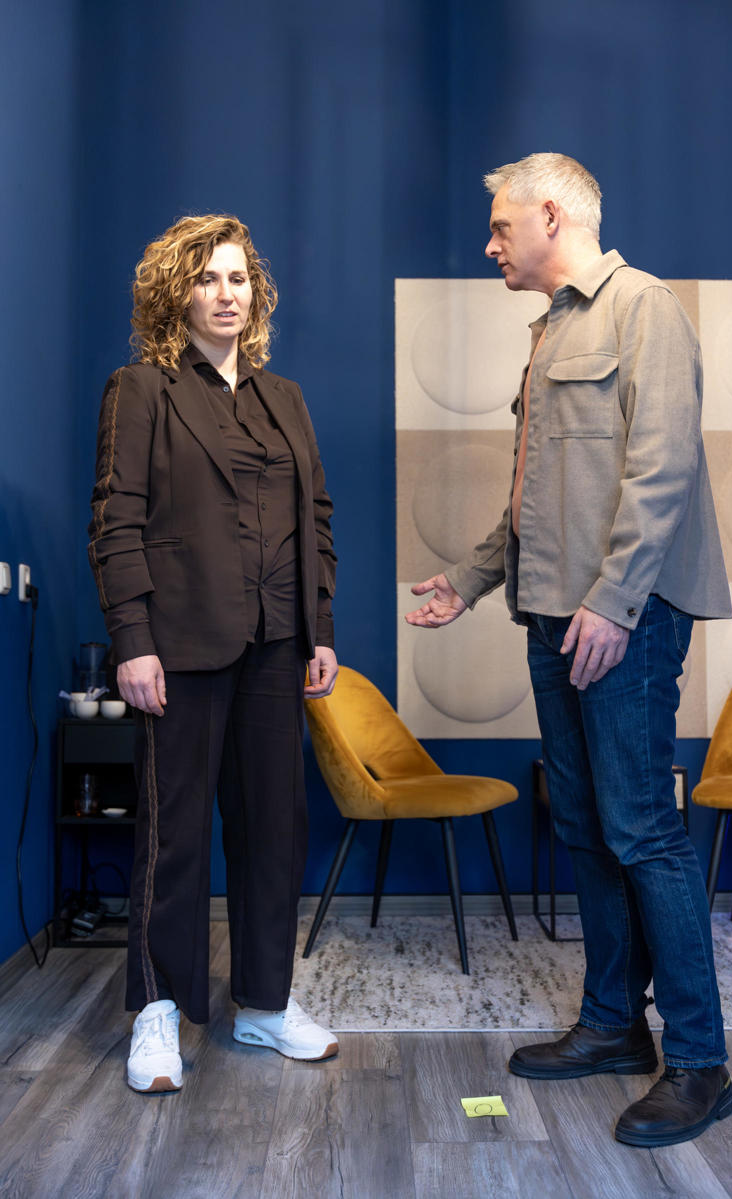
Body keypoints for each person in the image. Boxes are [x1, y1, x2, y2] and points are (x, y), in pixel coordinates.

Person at [406, 153, 732, 1148]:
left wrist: (615, 601)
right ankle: (611, 1023)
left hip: (622, 622)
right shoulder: (548, 332)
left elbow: (661, 469)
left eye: (501, 227)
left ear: (551, 215)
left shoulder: (643, 309)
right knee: (586, 826)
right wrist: (469, 578)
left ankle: (700, 1063)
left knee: (643, 830)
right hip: (552, 619)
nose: (489, 245)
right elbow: (535, 498)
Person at [89, 214, 339, 1093]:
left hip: (277, 644)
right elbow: (116, 521)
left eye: (238, 279)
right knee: (175, 834)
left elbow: (316, 519)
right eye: (207, 279)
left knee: (275, 830)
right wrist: (132, 640)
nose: (226, 294)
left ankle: (265, 1004)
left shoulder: (285, 399)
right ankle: (157, 1011)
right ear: (177, 293)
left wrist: (319, 628)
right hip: (181, 645)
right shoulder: (141, 389)